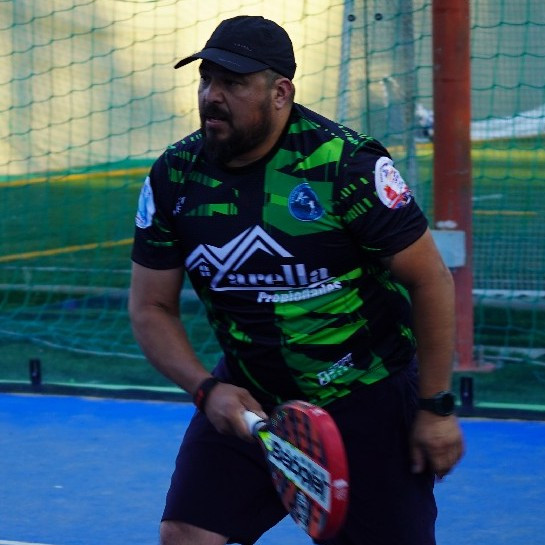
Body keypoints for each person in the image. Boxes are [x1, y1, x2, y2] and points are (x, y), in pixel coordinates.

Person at [129, 15, 465, 545]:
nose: (212, 96)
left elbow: (431, 281)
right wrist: (206, 390)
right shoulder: (174, 175)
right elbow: (151, 307)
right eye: (206, 79)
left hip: (366, 397)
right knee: (187, 535)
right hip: (250, 398)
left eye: (233, 83)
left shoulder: (345, 164)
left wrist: (436, 406)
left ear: (280, 92)